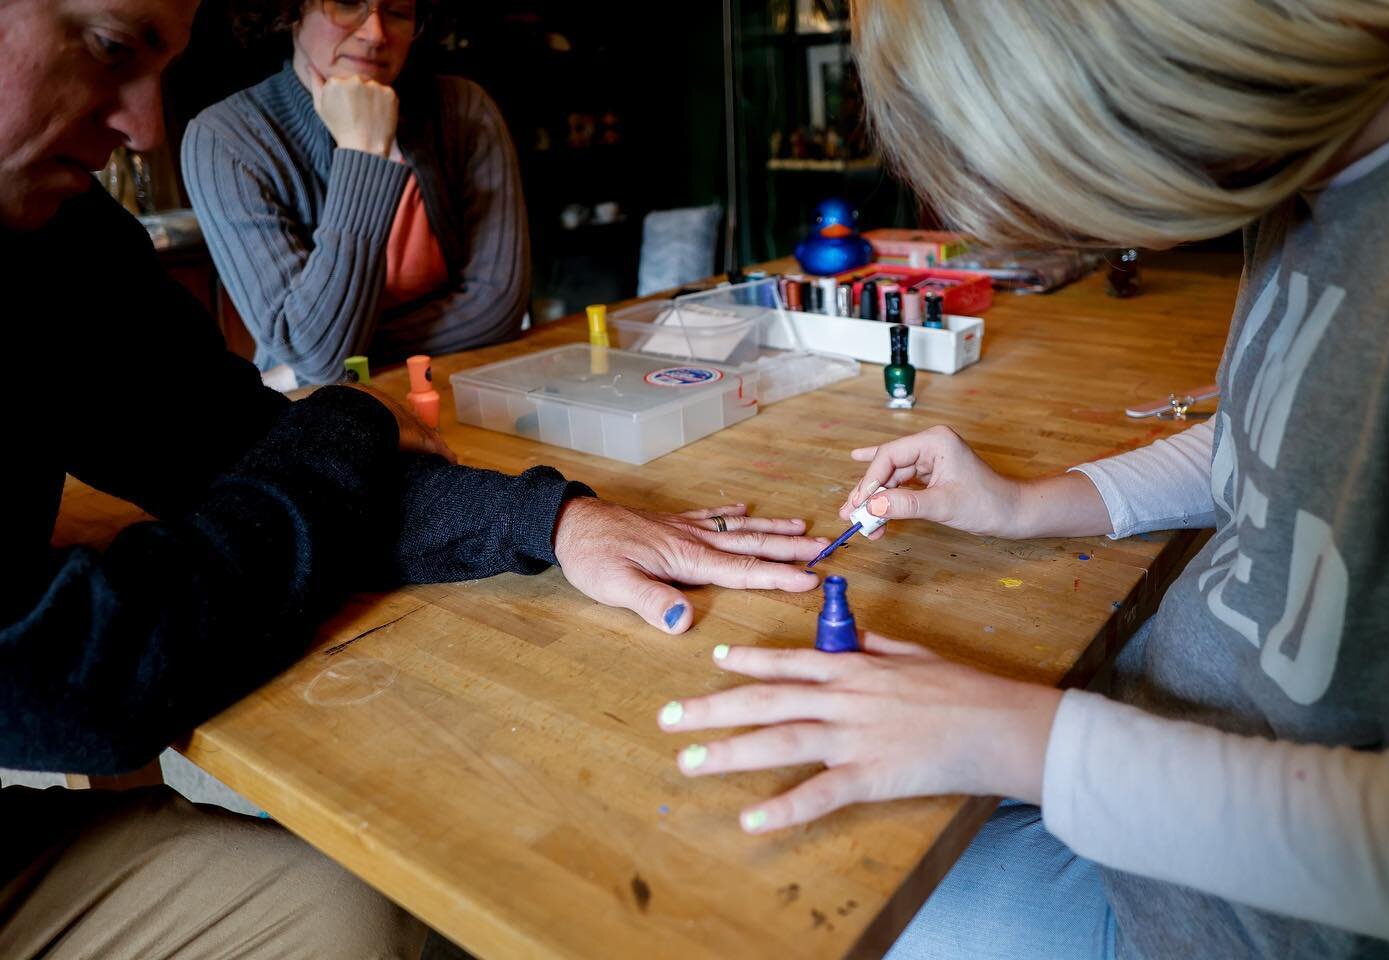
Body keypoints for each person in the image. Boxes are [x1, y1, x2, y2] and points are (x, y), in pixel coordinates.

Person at [0, 0, 824, 955]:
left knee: (376, 909)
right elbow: (83, 673)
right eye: (110, 47)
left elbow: (234, 439)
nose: (145, 126)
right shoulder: (226, 138)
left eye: (160, 65)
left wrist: (552, 521)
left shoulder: (56, 235)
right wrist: (349, 416)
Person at [659, 1, 1389, 957]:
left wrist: (1016, 734)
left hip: (1244, 917)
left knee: (757, 918)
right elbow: (1273, 440)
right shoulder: (1304, 178)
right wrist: (1026, 505)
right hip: (1158, 763)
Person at [182, 0, 528, 387]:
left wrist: (334, 355)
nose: (375, 33)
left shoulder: (462, 111)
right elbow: (319, 359)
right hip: (318, 416)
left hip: (459, 385)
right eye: (346, 3)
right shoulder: (228, 139)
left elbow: (498, 305)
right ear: (290, 8)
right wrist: (363, 150)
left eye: (398, 10)